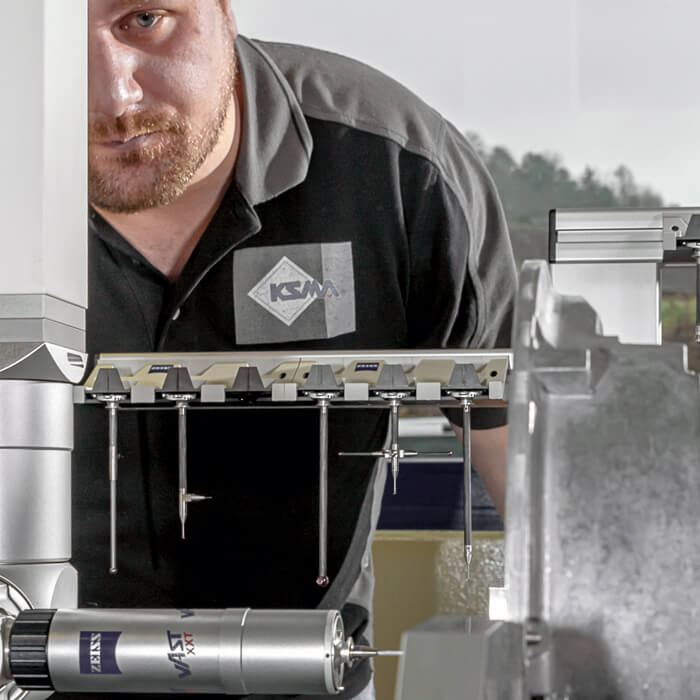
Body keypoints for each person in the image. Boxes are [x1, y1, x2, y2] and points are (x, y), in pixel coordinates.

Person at [74, 1, 516, 698]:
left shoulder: (401, 167)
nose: (113, 99)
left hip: (313, 674)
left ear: (223, 10)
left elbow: (528, 469)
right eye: (50, 36)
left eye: (145, 19)